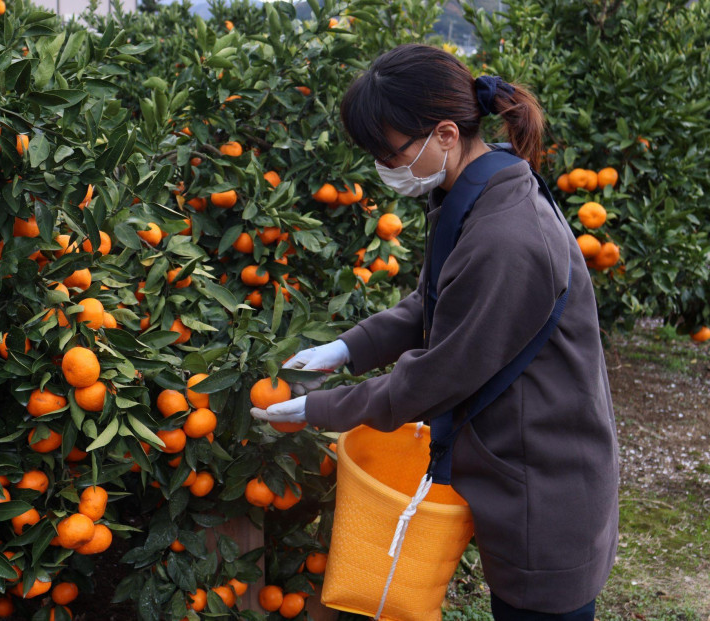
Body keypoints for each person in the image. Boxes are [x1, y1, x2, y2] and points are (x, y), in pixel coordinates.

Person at [250, 44, 619, 620]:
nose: (383, 167)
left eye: (389, 152)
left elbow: (438, 377)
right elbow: (431, 301)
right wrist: (349, 348)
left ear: (445, 134)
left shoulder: (506, 239)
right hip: (517, 465)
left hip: (546, 489)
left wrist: (319, 410)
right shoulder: (470, 192)